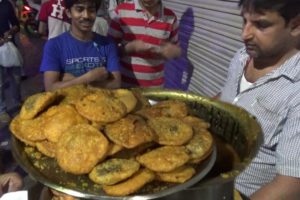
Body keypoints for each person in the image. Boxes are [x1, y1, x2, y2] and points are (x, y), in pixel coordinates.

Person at [218, 0, 300, 199]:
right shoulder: (242, 57)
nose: (244, 35)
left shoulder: (296, 89)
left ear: (296, 26)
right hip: (209, 174)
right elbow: (228, 98)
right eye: (244, 21)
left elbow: (290, 185)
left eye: (261, 25)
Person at [40, 0, 121, 91]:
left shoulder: (108, 44)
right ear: (68, 13)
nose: (86, 15)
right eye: (79, 9)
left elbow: (115, 83)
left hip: (100, 104)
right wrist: (88, 78)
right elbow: (50, 88)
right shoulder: (53, 45)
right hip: (68, 104)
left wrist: (72, 81)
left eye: (91, 10)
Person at [108, 0, 181, 88]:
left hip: (155, 89)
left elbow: (176, 51)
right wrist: (128, 48)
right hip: (125, 87)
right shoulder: (121, 12)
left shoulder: (170, 17)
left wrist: (174, 52)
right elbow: (108, 51)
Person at [0, 0, 21, 125]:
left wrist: (9, 33)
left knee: (16, 78)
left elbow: (16, 25)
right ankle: (2, 110)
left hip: (9, 47)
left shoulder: (6, 4)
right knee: (0, 83)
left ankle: (18, 103)